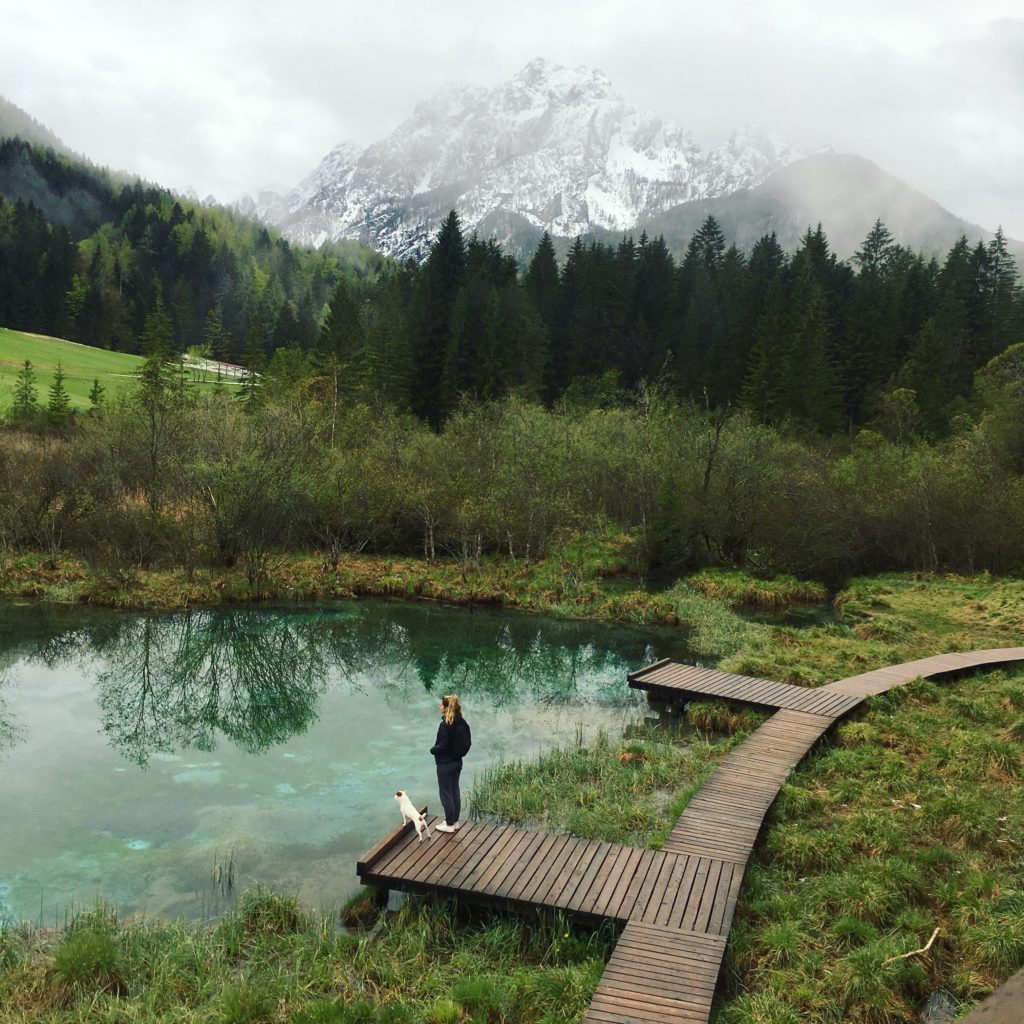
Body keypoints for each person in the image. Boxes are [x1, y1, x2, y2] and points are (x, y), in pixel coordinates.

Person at [430, 694, 471, 833]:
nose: (439, 706)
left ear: (446, 707)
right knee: (454, 790)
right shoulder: (462, 722)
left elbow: (442, 746)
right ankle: (455, 822)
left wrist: (432, 750)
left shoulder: (445, 725)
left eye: (441, 704)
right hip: (457, 762)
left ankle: (449, 825)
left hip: (445, 764)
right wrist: (456, 755)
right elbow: (467, 743)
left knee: (445, 793)